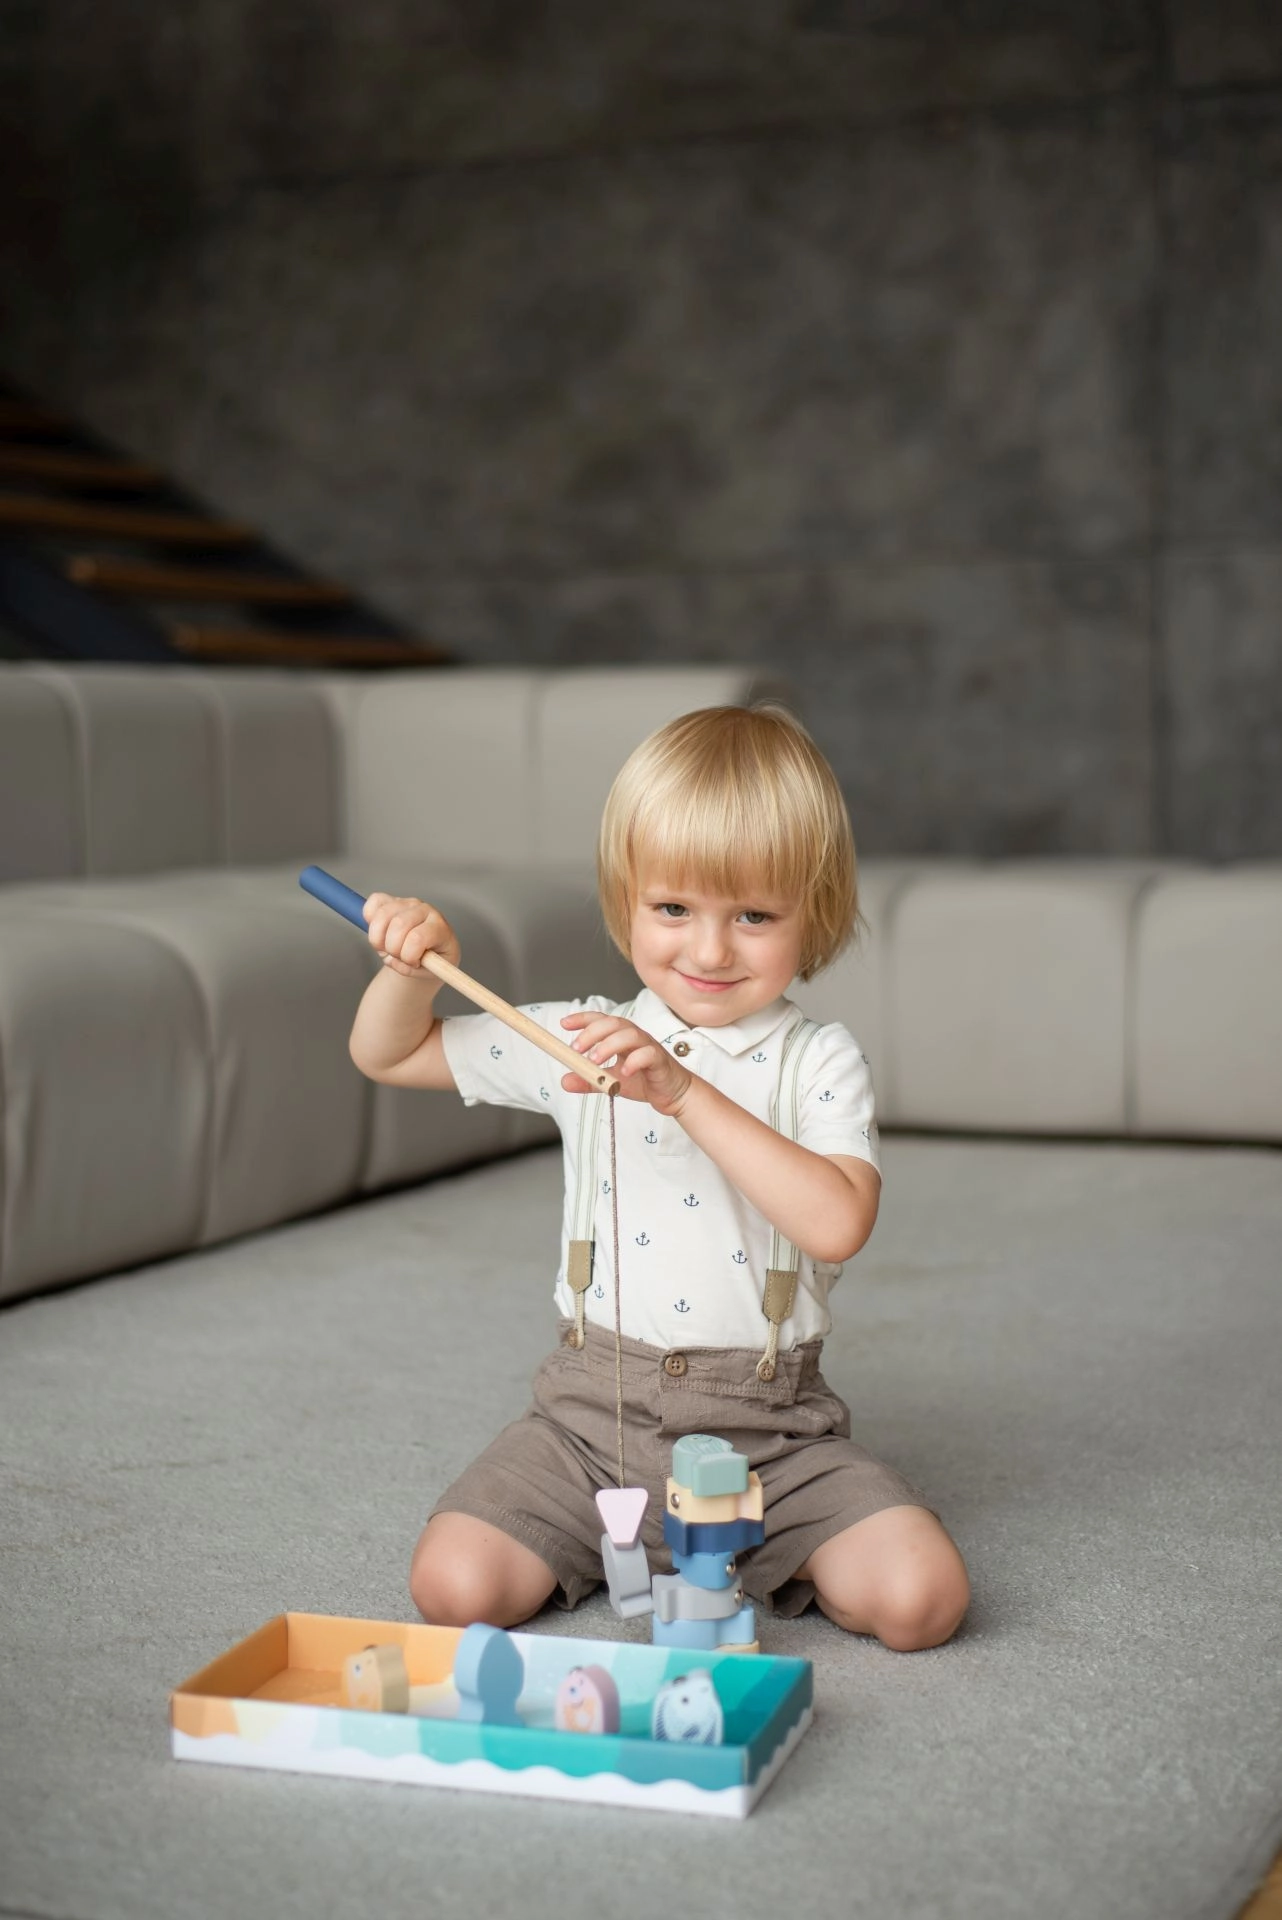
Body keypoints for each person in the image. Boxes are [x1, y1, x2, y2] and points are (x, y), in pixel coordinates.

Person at [347, 705, 970, 1652]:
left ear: (815, 912)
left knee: (923, 1600)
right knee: (453, 1585)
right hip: (586, 1425)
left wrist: (683, 1091)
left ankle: (743, 1547)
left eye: (754, 916)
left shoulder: (818, 1060)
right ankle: (634, 1538)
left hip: (771, 1440)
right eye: (674, 909)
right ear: (626, 899)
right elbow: (392, 1054)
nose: (710, 951)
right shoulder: (581, 1035)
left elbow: (838, 1221)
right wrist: (409, 972)